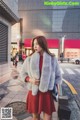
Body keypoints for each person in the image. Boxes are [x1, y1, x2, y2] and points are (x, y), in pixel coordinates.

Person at [20, 36, 62, 120]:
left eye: (37, 44)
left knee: (48, 117)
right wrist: (30, 80)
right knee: (35, 117)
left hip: (47, 93)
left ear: (43, 44)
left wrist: (55, 88)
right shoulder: (29, 59)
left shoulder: (52, 59)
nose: (34, 46)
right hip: (34, 93)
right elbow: (22, 74)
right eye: (34, 44)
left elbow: (58, 76)